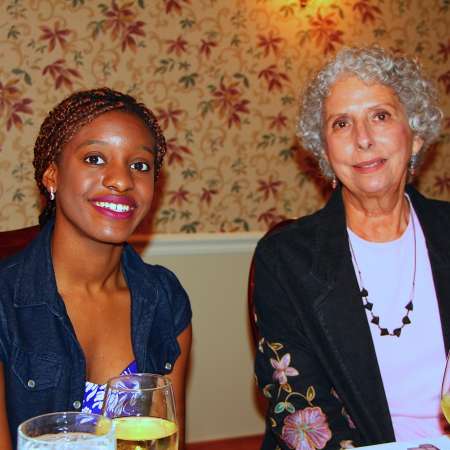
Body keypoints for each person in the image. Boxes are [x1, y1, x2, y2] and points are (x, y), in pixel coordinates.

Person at [253, 46, 448, 450]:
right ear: (326, 154)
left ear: (414, 136)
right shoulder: (285, 258)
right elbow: (299, 413)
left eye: (380, 115)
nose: (363, 139)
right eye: (342, 123)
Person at [0, 88, 192, 449]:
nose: (121, 180)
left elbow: (170, 437)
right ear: (51, 176)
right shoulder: (5, 305)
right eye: (95, 158)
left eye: (140, 165)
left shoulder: (165, 298)